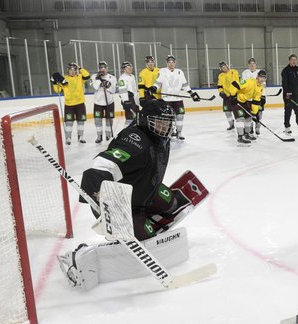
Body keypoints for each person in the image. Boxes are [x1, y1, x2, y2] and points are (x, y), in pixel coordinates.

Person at [59, 100, 201, 291]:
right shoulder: (136, 141)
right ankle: (80, 257)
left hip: (144, 189)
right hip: (120, 206)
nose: (165, 127)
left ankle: (155, 213)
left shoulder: (158, 136)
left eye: (167, 122)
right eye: (159, 122)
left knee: (173, 202)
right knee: (146, 239)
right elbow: (102, 165)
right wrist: (101, 197)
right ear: (145, 120)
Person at [151, 54, 200, 141]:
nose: (171, 64)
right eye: (169, 62)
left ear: (175, 63)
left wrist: (192, 94)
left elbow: (185, 85)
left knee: (180, 116)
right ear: (167, 63)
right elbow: (158, 82)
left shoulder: (180, 72)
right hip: (167, 99)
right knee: (167, 118)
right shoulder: (162, 71)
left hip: (178, 99)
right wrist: (153, 88)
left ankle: (179, 133)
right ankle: (168, 134)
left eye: (173, 62)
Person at [51, 62, 90, 145]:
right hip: (69, 104)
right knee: (69, 122)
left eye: (74, 70)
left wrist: (79, 68)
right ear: (68, 71)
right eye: (70, 70)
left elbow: (87, 75)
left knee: (81, 121)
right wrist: (55, 83)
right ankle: (68, 138)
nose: (72, 71)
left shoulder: (79, 77)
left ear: (76, 71)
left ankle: (81, 137)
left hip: (80, 103)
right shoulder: (64, 79)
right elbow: (58, 90)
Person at [229, 70, 266, 145]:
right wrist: (233, 96)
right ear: (257, 77)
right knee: (240, 118)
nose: (262, 79)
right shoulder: (249, 82)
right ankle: (240, 137)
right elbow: (234, 84)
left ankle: (247, 134)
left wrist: (255, 113)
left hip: (244, 102)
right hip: (236, 101)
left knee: (249, 117)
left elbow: (256, 101)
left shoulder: (260, 88)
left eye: (264, 78)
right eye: (260, 77)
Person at [91, 61, 117, 143]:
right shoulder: (94, 76)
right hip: (98, 102)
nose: (102, 69)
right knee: (97, 119)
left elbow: (113, 90)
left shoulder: (112, 78)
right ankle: (99, 136)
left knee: (109, 119)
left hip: (109, 102)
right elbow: (95, 87)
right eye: (101, 68)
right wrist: (99, 80)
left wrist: (107, 85)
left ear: (107, 68)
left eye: (104, 68)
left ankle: (108, 134)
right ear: (98, 69)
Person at [281, 54, 298, 134]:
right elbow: (284, 83)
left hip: (296, 95)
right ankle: (287, 127)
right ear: (289, 60)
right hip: (288, 95)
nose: (294, 61)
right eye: (292, 60)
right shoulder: (285, 70)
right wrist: (287, 93)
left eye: (295, 60)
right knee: (288, 112)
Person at [241, 57, 265, 135]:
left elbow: (263, 85)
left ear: (255, 64)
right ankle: (250, 129)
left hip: (258, 97)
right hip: (248, 98)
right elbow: (244, 85)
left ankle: (257, 128)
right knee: (249, 115)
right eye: (250, 64)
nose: (252, 65)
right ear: (248, 65)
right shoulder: (245, 73)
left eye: (253, 63)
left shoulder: (260, 72)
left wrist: (263, 96)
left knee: (259, 114)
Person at [217, 61, 240, 131]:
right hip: (226, 96)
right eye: (222, 67)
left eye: (224, 66)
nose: (224, 68)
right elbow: (220, 86)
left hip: (235, 95)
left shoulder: (234, 72)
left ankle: (240, 124)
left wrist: (237, 93)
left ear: (227, 66)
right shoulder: (220, 76)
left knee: (237, 111)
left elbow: (238, 82)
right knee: (227, 112)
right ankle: (231, 124)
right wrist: (221, 92)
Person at [117, 61, 140, 127]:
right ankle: (126, 131)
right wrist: (125, 101)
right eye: (128, 67)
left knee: (136, 117)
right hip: (128, 100)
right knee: (129, 118)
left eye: (131, 67)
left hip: (134, 99)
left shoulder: (132, 76)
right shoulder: (122, 78)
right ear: (124, 69)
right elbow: (122, 90)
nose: (130, 68)